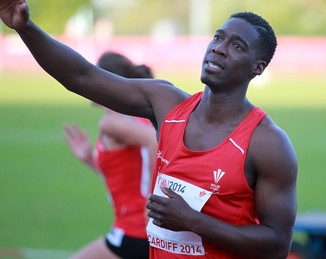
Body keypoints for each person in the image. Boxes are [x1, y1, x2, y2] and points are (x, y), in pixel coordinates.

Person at [0, 1, 298, 258]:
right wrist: (25, 27)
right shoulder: (166, 104)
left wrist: (194, 221)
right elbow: (81, 76)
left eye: (236, 46)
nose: (219, 49)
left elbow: (277, 245)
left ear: (257, 67)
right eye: (218, 38)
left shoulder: (267, 143)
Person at [63, 51, 157, 259]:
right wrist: (89, 159)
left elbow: (154, 140)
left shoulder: (111, 122)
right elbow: (129, 176)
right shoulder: (135, 117)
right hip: (140, 233)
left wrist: (153, 201)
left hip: (134, 232)